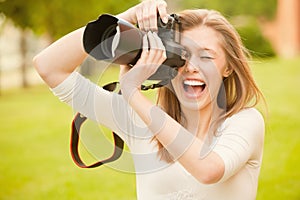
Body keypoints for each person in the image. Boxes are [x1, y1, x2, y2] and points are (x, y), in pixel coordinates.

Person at [33, 0, 265, 199]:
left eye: (206, 56)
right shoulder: (140, 121)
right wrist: (129, 17)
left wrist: (132, 92)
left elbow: (208, 170)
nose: (191, 67)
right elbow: (49, 66)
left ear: (228, 68)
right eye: (181, 55)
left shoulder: (244, 122)